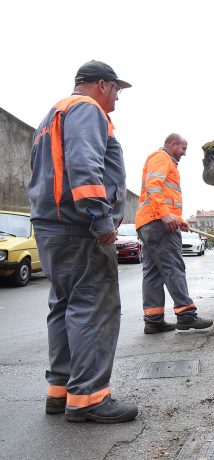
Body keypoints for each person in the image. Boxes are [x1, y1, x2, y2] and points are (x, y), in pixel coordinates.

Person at [28, 60, 138, 423]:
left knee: (64, 305)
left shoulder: (52, 116)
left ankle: (60, 391)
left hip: (51, 225)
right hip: (79, 227)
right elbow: (84, 165)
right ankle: (88, 398)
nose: (117, 99)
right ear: (102, 85)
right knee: (93, 307)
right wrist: (101, 218)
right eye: (117, 91)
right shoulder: (87, 110)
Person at [136, 134, 213, 334]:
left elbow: (164, 195)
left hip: (149, 222)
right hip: (157, 223)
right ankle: (186, 315)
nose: (184, 153)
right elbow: (154, 187)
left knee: (152, 273)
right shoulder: (161, 158)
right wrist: (165, 215)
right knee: (173, 267)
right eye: (183, 148)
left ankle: (153, 320)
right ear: (172, 144)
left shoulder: (162, 161)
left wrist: (179, 220)